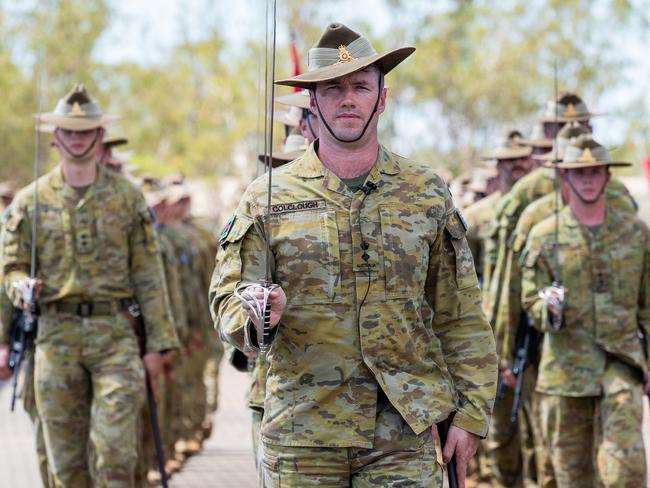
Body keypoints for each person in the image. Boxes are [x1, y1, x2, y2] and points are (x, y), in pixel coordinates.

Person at [210, 22, 497, 487]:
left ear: (381, 99)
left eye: (361, 86)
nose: (348, 99)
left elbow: (460, 314)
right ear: (313, 101)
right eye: (333, 88)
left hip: (406, 431)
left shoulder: (425, 192)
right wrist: (259, 315)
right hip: (303, 431)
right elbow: (227, 303)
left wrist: (471, 414)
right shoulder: (267, 196)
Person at [0, 84, 179, 487]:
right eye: (68, 131)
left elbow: (149, 275)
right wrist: (19, 289)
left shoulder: (127, 198)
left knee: (116, 453)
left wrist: (158, 344)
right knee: (65, 463)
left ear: (100, 136)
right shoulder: (29, 202)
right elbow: (8, 268)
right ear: (54, 138)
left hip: (114, 336)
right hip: (54, 337)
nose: (77, 138)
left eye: (86, 131)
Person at [521, 135, 649, 488]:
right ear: (565, 179)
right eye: (579, 173)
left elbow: (648, 306)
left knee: (626, 473)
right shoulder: (543, 236)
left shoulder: (635, 233)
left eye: (595, 171)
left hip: (621, 364)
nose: (588, 179)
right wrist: (547, 306)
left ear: (608, 176)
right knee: (571, 475)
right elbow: (530, 303)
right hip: (566, 372)